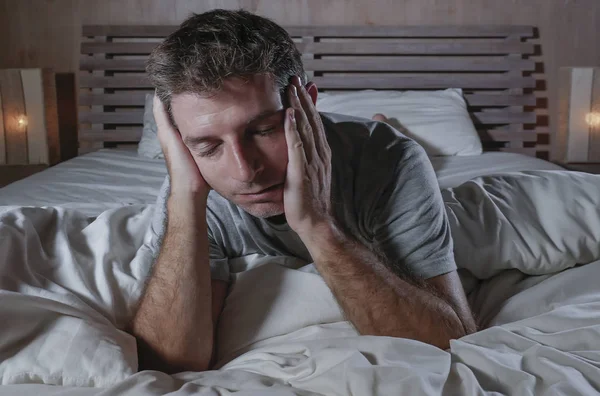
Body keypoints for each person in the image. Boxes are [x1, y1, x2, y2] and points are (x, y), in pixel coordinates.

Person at [131, 9, 477, 373]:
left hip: (364, 149)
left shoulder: (392, 159)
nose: (245, 172)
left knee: (390, 139)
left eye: (263, 130)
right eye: (207, 146)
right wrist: (185, 199)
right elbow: (170, 362)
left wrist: (318, 224)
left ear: (308, 102)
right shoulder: (190, 182)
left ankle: (382, 121)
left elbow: (451, 341)